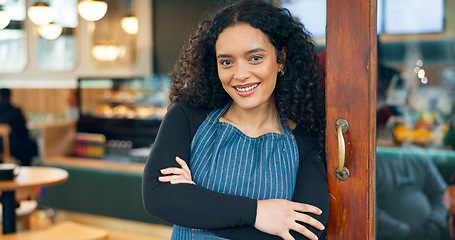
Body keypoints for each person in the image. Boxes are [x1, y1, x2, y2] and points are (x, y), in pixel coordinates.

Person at [142, 1, 329, 239]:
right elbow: (158, 197)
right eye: (227, 62)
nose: (240, 75)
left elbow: (306, 232)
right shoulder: (188, 116)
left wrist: (195, 203)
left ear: (280, 58)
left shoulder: (304, 140)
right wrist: (259, 213)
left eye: (255, 58)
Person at [0, 88, 38, 166]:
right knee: (29, 145)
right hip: (13, 146)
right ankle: (26, 169)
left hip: (1, 147)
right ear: (10, 96)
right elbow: (23, 131)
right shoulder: (15, 111)